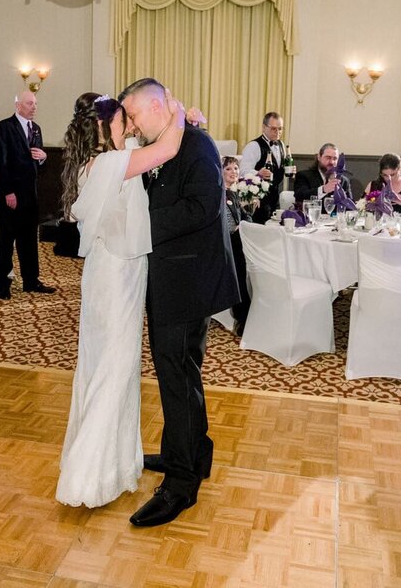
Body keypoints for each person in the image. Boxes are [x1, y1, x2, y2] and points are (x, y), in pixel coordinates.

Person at [55, 91, 186, 509]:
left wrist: (143, 119)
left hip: (113, 274)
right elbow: (167, 147)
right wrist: (178, 111)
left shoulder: (100, 162)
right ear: (100, 127)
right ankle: (87, 476)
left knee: (113, 369)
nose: (127, 127)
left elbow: (140, 140)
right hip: (116, 278)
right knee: (114, 370)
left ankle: (114, 468)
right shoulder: (111, 164)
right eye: (120, 121)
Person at [118, 78, 240, 528]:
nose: (130, 124)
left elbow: (202, 208)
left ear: (157, 105)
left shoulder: (196, 146)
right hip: (176, 278)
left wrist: (137, 221)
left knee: (177, 376)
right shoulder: (170, 144)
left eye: (133, 114)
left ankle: (181, 484)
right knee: (181, 373)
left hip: (188, 281)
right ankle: (190, 452)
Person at [0, 90, 55, 299]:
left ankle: (30, 280)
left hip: (30, 196)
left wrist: (44, 157)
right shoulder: (3, 127)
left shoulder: (36, 129)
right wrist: (8, 191)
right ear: (18, 105)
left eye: (35, 104)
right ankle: (3, 285)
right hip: (10, 196)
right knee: (7, 243)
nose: (34, 107)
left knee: (29, 242)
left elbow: (38, 166)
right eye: (29, 103)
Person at [239, 112, 287, 225]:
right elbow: (243, 170)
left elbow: (279, 169)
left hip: (275, 198)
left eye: (280, 129)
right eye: (274, 129)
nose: (277, 132)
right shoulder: (254, 146)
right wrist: (258, 173)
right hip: (258, 199)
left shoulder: (282, 145)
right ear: (264, 127)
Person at [222, 156, 250, 331]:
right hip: (226, 243)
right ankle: (243, 317)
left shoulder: (233, 193)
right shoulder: (218, 193)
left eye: (236, 168)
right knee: (242, 270)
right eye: (228, 169)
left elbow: (244, 215)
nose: (234, 172)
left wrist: (245, 224)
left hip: (238, 239)